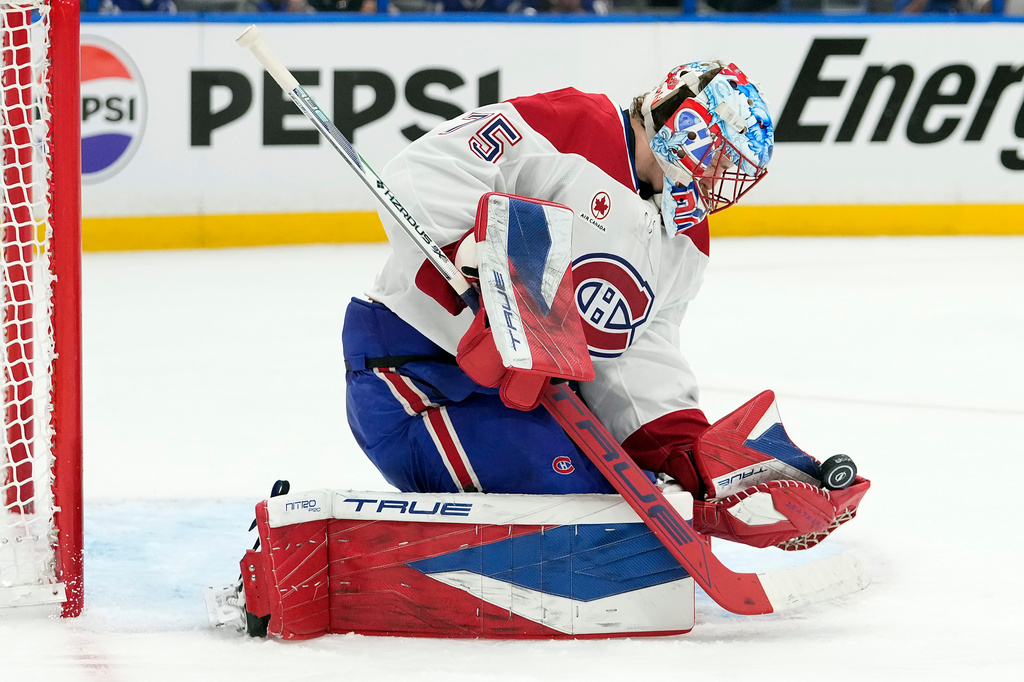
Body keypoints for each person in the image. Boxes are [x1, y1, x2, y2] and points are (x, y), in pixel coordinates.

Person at [343, 61, 867, 551]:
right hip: (414, 379)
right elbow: (425, 169)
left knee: (633, 504)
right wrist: (479, 258)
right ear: (686, 128)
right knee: (589, 507)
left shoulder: (685, 241)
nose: (720, 181)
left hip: (521, 404)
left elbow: (637, 358)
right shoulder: (576, 125)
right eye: (720, 159)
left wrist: (691, 458)